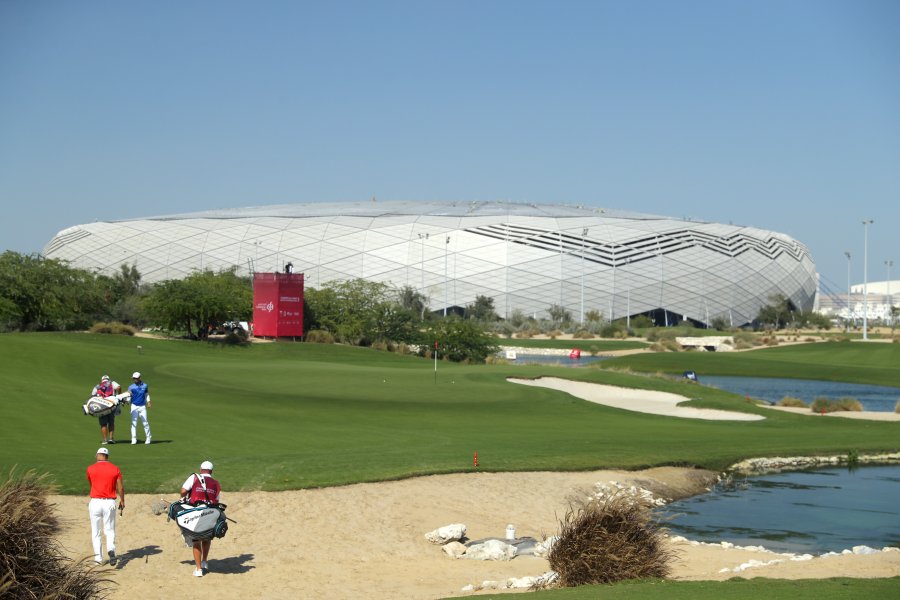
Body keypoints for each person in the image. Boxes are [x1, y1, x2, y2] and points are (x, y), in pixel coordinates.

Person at [180, 461, 221, 577]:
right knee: (207, 537)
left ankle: (198, 570)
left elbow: (183, 491)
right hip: (210, 513)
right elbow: (217, 501)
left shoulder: (194, 477)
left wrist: (186, 497)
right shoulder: (216, 483)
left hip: (195, 514)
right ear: (211, 471)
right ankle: (205, 561)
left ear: (200, 469)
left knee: (196, 540)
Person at [86, 447, 124, 566]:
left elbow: (91, 484)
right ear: (107, 456)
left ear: (99, 455)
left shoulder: (90, 468)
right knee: (109, 529)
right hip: (109, 503)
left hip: (95, 502)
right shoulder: (115, 468)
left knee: (96, 531)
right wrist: (122, 500)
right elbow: (120, 487)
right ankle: (111, 550)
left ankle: (98, 559)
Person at [91, 374, 122, 444]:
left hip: (101, 407)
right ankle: (111, 439)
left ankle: (105, 440)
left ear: (102, 380)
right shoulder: (112, 383)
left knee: (103, 424)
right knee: (111, 423)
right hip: (111, 406)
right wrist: (118, 395)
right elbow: (119, 388)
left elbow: (92, 396)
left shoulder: (97, 386)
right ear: (108, 379)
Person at [128, 371, 152, 445]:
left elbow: (146, 394)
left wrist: (148, 402)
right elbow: (128, 396)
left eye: (136, 378)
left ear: (139, 378)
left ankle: (148, 438)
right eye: (134, 378)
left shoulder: (145, 386)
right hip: (134, 406)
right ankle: (133, 439)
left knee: (145, 422)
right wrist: (126, 401)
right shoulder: (131, 387)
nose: (135, 380)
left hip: (142, 406)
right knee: (134, 423)